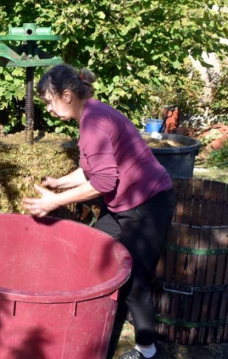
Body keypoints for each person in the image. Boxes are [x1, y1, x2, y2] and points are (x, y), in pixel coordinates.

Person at [22, 64, 176, 359]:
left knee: (134, 281)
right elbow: (89, 170)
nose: (49, 109)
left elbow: (104, 181)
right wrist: (59, 182)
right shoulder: (90, 114)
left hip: (148, 203)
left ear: (66, 95)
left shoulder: (93, 122)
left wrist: (55, 201)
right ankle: (96, 324)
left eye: (49, 102)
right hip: (122, 204)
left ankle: (147, 350)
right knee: (92, 255)